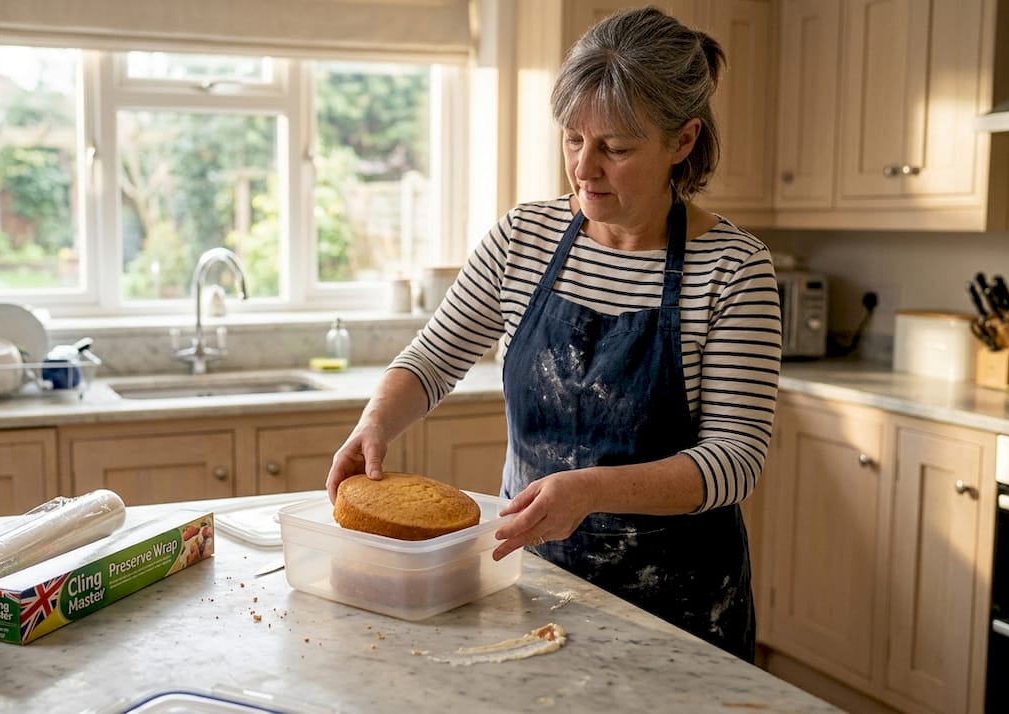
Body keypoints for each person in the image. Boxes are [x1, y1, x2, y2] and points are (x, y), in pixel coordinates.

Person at [325, 6, 781, 662]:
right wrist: (375, 424)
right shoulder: (525, 238)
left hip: (679, 608)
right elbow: (433, 357)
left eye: (616, 148)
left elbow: (735, 459)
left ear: (682, 142)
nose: (584, 169)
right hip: (531, 582)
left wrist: (590, 489)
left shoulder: (734, 269)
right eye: (573, 139)